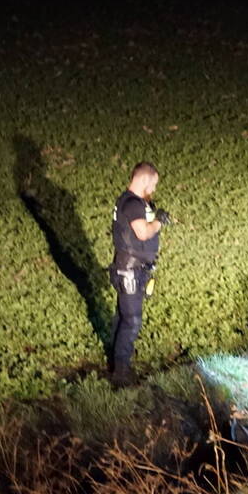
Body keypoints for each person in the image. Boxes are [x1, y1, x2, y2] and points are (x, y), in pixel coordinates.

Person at [109, 162, 170, 387]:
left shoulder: (130, 201)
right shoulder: (133, 203)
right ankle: (121, 374)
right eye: (152, 184)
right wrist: (158, 222)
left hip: (130, 269)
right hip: (130, 271)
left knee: (123, 317)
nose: (153, 189)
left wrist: (154, 214)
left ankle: (115, 361)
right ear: (144, 179)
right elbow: (143, 232)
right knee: (132, 321)